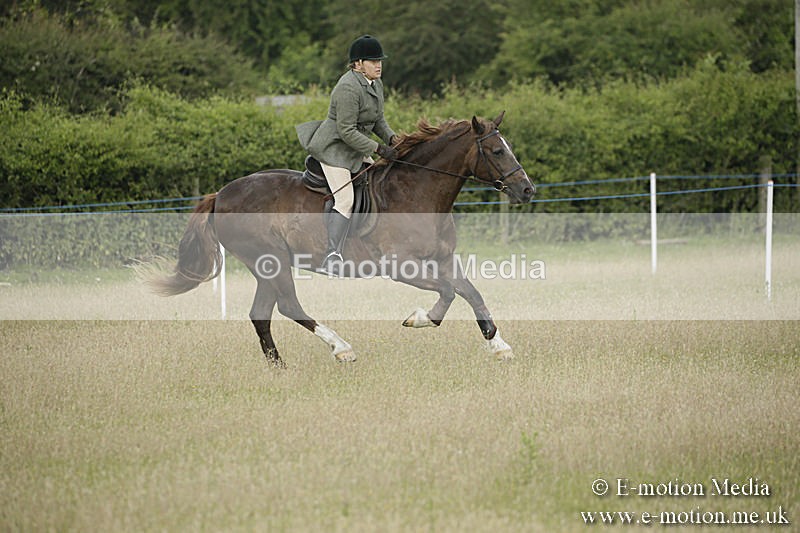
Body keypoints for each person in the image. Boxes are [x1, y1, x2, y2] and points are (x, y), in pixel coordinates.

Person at [296, 34, 399, 275]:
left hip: (354, 147)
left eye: (380, 61)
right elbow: (346, 131)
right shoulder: (347, 87)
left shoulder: (376, 84)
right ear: (358, 63)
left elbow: (378, 120)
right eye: (373, 61)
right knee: (345, 199)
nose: (379, 65)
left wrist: (394, 140)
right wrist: (378, 149)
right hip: (334, 149)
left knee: (379, 182)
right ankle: (332, 255)